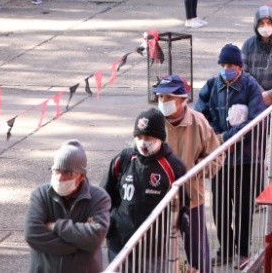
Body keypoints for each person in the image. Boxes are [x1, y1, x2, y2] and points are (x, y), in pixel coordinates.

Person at [195, 44, 266, 269]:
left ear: (240, 67)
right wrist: (215, 138)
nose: (226, 69)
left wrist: (226, 138)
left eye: (231, 66)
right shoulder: (211, 86)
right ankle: (225, 248)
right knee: (220, 207)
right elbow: (200, 117)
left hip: (245, 158)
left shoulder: (251, 87)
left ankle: (243, 251)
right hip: (219, 160)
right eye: (223, 65)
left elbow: (255, 121)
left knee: (243, 207)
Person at [153, 75, 223, 273]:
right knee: (156, 250)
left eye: (168, 98)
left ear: (182, 100)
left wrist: (196, 171)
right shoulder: (154, 121)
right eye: (160, 97)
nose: (163, 101)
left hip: (191, 197)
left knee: (198, 252)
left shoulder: (198, 122)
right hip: (158, 196)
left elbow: (217, 156)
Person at [104, 108, 187, 266]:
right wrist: (107, 223)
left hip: (152, 250)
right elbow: (104, 196)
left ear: (160, 138)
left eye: (148, 137)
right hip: (119, 244)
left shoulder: (174, 167)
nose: (143, 142)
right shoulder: (123, 159)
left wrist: (182, 220)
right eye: (139, 137)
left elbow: (182, 203)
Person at [24, 139, 111, 273]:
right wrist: (77, 245)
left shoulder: (99, 198)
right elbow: (32, 234)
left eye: (68, 173)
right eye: (56, 171)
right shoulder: (41, 194)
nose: (60, 178)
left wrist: (56, 226)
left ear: (81, 176)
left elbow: (95, 237)